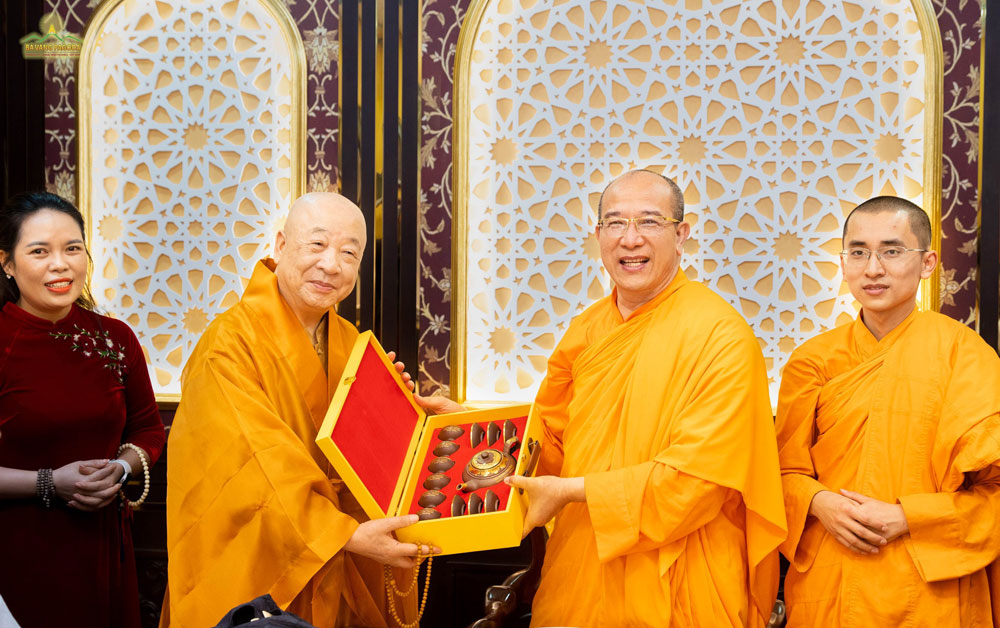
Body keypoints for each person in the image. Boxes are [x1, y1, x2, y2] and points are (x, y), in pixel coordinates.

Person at [419, 170, 787, 627]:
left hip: (681, 577)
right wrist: (478, 431)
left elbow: (698, 485)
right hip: (581, 566)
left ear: (681, 234)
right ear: (597, 236)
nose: (630, 240)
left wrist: (575, 491)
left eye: (649, 222)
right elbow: (549, 442)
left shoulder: (721, 337)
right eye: (615, 223)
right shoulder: (587, 331)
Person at [162, 192, 434, 628]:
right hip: (263, 564)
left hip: (342, 560)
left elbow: (373, 458)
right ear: (280, 244)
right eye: (317, 244)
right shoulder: (228, 345)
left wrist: (405, 413)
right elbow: (254, 466)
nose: (332, 265)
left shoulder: (350, 341)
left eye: (349, 253)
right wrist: (344, 534)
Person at [775, 196, 1000, 626]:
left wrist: (909, 517)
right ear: (843, 263)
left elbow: (993, 493)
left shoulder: (966, 356)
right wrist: (819, 502)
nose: (873, 269)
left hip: (931, 585)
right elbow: (781, 474)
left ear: (928, 262)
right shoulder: (813, 360)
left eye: (892, 251)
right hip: (833, 581)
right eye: (858, 252)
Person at [0, 191, 166, 628]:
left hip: (104, 546)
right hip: (18, 551)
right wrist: (50, 483)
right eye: (40, 251)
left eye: (73, 248)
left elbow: (149, 429)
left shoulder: (115, 338)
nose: (61, 264)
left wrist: (122, 469)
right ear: (7, 264)